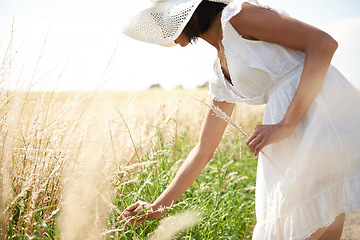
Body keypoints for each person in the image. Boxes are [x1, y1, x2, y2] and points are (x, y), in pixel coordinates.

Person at [118, 0, 360, 239]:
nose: (163, 32)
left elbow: (323, 43)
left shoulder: (237, 16)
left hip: (322, 112)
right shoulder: (219, 71)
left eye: (164, 20)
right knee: (322, 221)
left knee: (305, 221)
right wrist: (158, 207)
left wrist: (286, 124)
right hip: (291, 129)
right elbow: (203, 149)